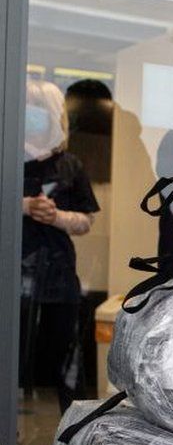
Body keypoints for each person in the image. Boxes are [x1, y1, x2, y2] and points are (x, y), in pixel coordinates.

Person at [20, 80, 100, 413]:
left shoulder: (71, 166)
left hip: (59, 275)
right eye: (28, 105)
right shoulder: (9, 157)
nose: (33, 113)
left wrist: (56, 217)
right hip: (16, 277)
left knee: (66, 357)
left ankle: (73, 432)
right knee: (14, 353)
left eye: (40, 106)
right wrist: (23, 206)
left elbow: (86, 220)